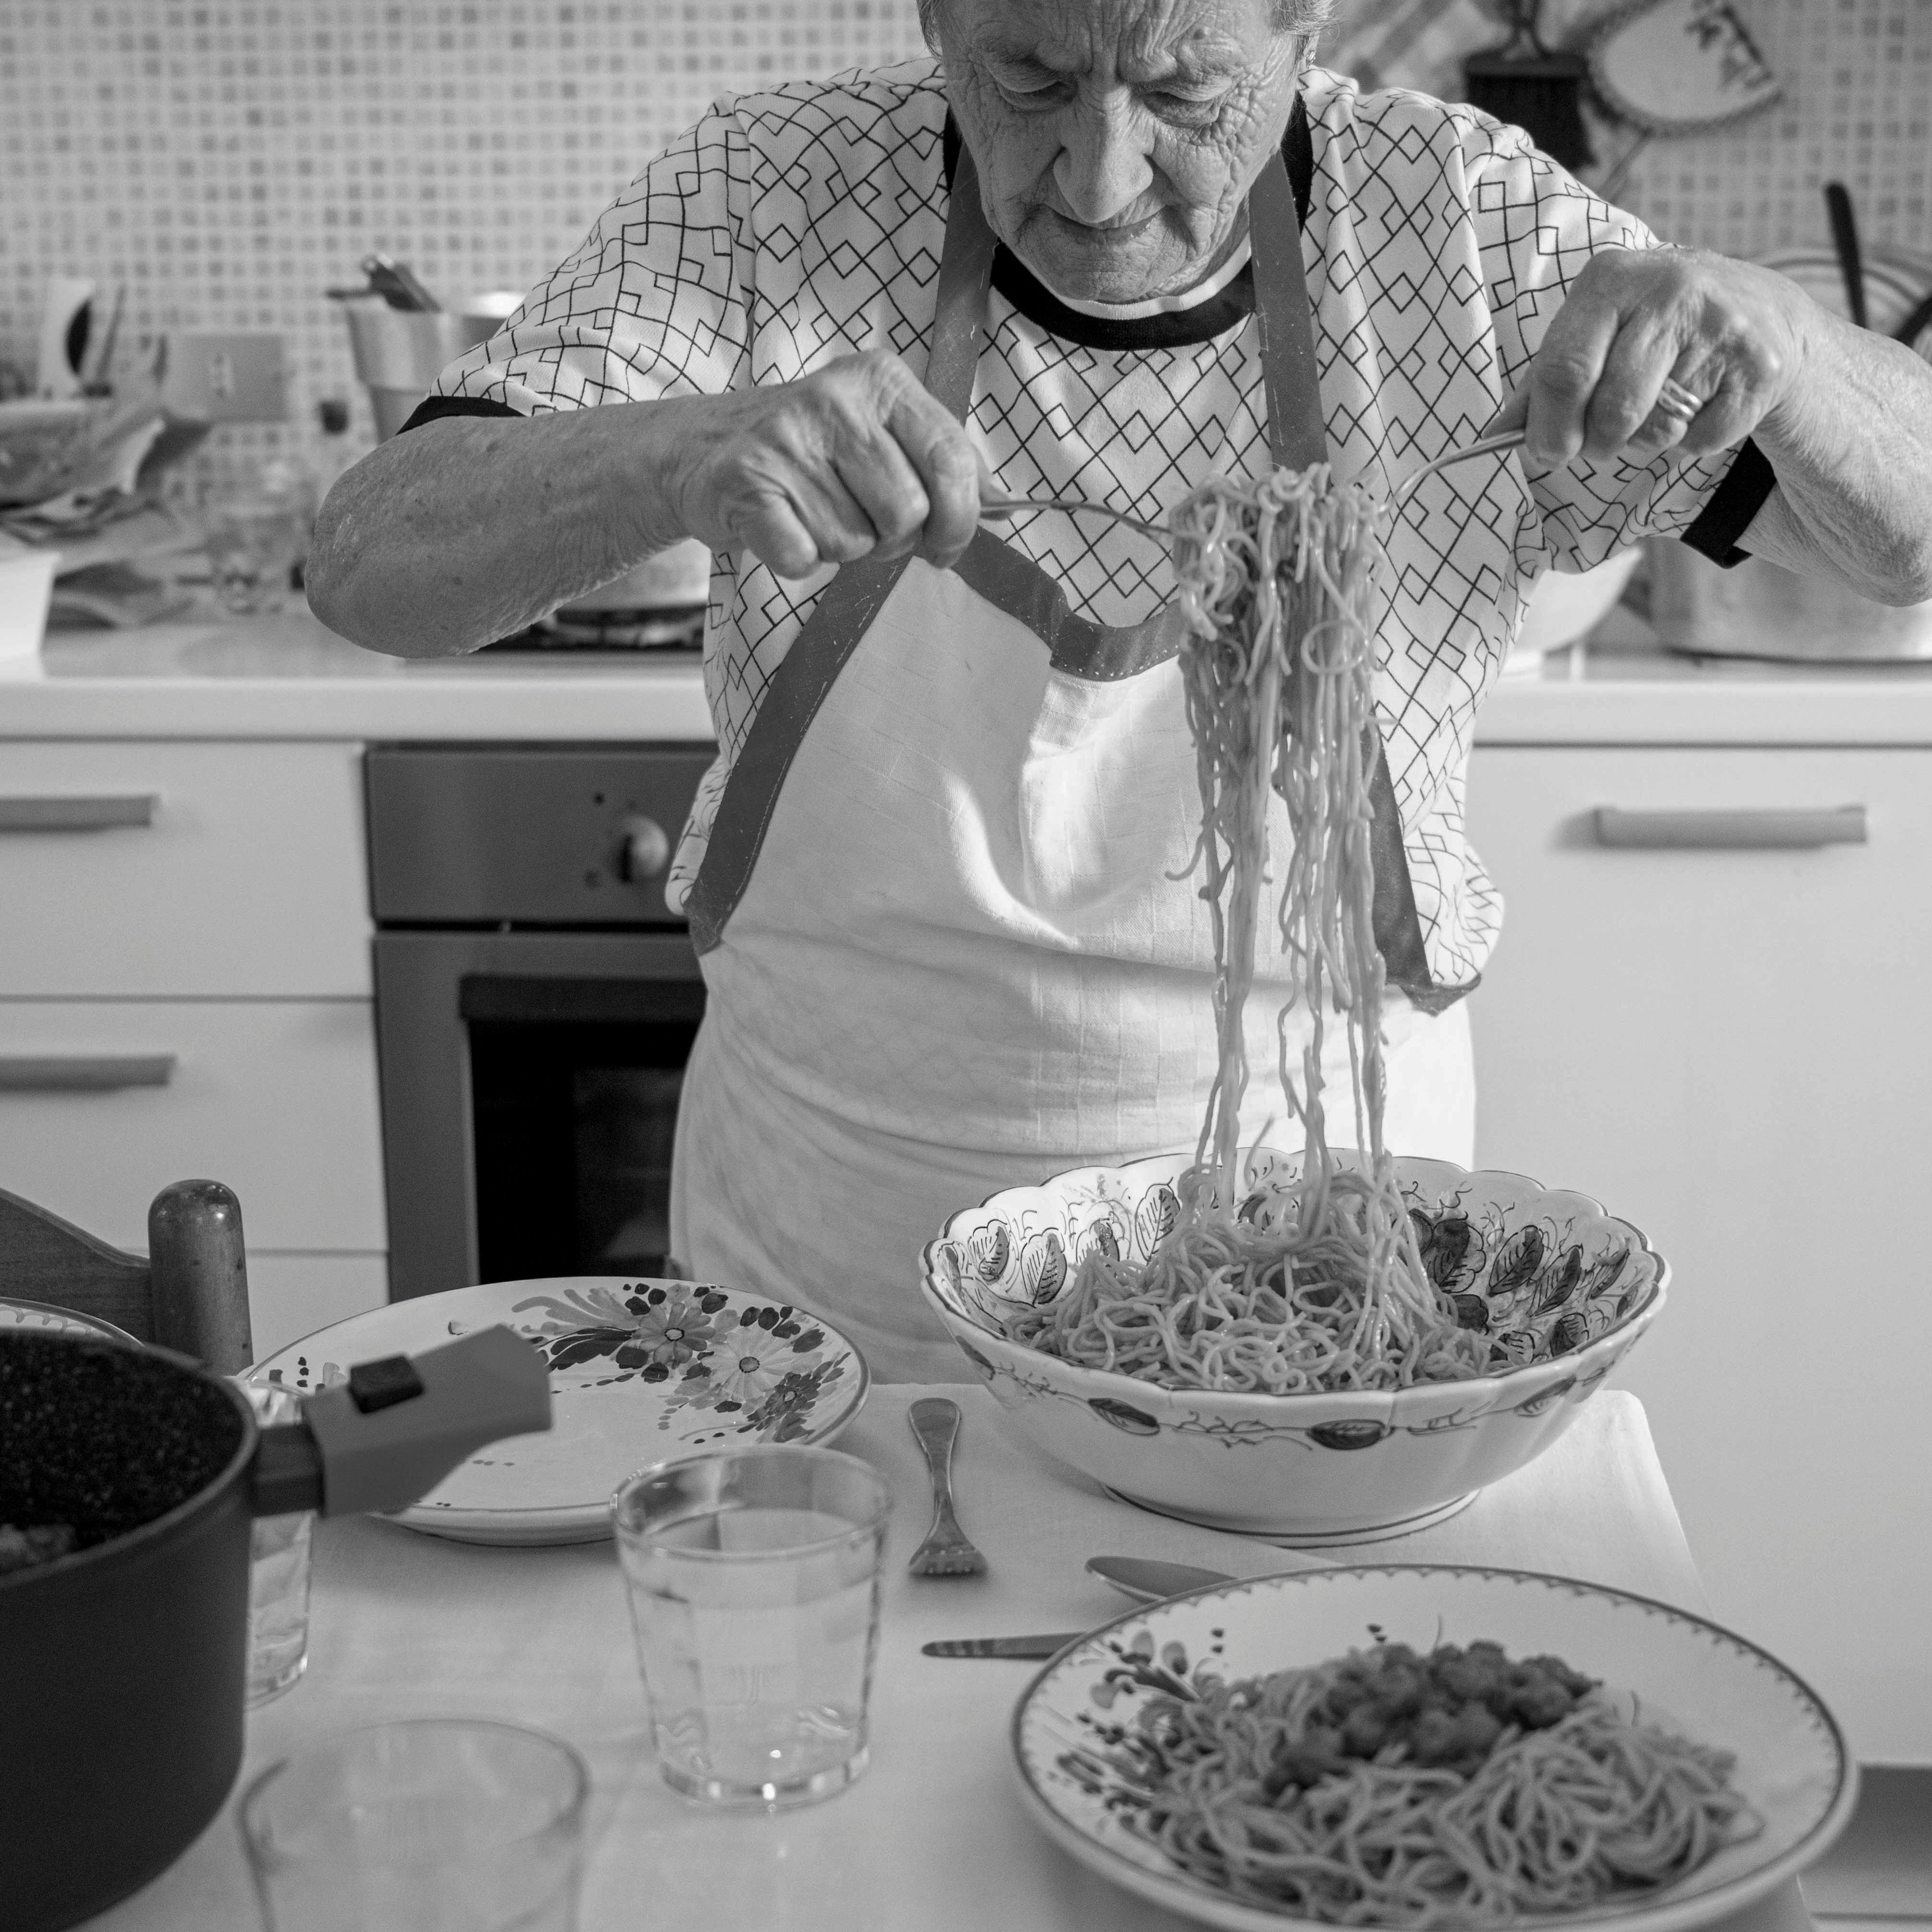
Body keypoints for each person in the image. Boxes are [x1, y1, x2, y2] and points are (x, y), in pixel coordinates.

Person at [308, 0, 1932, 1381]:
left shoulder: (1466, 227)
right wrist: (674, 450)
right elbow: (372, 563)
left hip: (1316, 1263)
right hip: (842, 1263)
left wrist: (1794, 349)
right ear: (934, 19)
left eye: (1181, 92)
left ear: (1303, 29)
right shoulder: (769, 192)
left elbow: (1904, 538)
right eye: (1026, 81)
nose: (1097, 174)